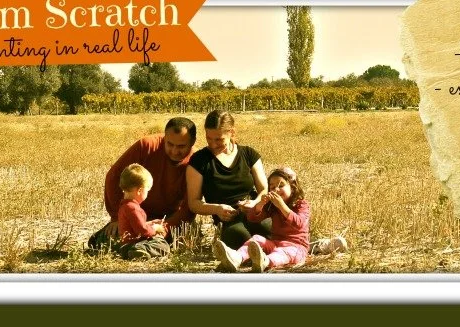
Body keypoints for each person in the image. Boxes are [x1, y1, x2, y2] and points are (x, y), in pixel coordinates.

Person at [88, 117, 197, 250]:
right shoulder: (146, 146)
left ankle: (139, 249)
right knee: (100, 243)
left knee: (161, 244)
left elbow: (189, 206)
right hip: (135, 213)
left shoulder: (195, 162)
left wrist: (165, 227)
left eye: (181, 146)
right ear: (164, 138)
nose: (174, 151)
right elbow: (114, 176)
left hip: (168, 218)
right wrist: (116, 217)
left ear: (192, 143)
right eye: (170, 144)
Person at [186, 110, 272, 250]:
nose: (213, 144)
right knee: (238, 236)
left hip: (255, 212)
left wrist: (255, 203)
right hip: (229, 220)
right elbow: (194, 203)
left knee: (268, 228)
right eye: (209, 138)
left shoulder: (249, 154)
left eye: (219, 139)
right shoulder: (199, 161)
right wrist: (217, 209)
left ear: (232, 132)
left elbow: (264, 189)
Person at [213, 167, 308, 272]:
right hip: (275, 243)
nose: (276, 189)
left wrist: (282, 206)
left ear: (293, 187)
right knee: (257, 238)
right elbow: (252, 218)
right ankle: (237, 258)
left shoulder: (301, 204)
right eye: (272, 187)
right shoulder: (272, 206)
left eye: (281, 186)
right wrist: (260, 204)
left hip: (296, 248)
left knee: (283, 253)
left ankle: (265, 261)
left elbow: (299, 223)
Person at [114, 163, 171, 260]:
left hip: (125, 245)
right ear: (140, 190)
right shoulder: (133, 208)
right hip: (134, 244)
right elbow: (142, 231)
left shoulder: (125, 206)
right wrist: (155, 228)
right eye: (147, 190)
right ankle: (140, 251)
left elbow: (135, 226)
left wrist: (150, 223)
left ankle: (138, 251)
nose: (148, 193)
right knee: (163, 245)